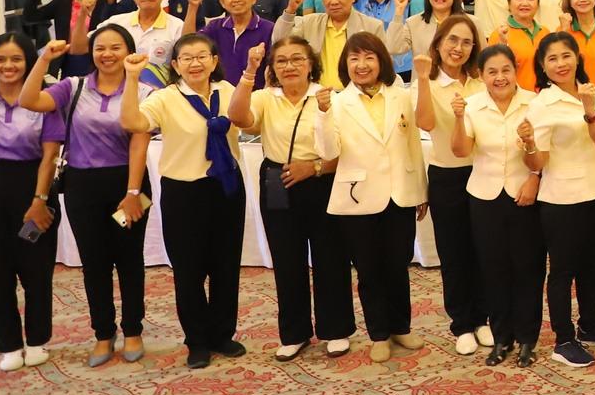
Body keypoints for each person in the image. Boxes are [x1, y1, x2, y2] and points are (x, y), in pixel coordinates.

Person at [18, 25, 145, 367]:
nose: (107, 54)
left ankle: (133, 330)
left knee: (129, 259)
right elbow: (28, 100)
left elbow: (139, 143)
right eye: (100, 48)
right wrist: (44, 59)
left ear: (128, 50)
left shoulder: (142, 90)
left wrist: (133, 192)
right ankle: (103, 334)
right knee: (94, 262)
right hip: (82, 186)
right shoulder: (73, 87)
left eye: (116, 47)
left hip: (129, 185)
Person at [120, 34, 245, 369]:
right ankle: (197, 341)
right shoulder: (165, 98)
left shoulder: (227, 91)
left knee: (226, 266)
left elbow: (247, 119)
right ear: (175, 65)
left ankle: (222, 334)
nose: (195, 63)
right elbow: (132, 123)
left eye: (202, 56)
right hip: (184, 193)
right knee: (189, 271)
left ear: (214, 61)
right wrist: (131, 78)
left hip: (227, 188)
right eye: (186, 57)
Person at [231, 35, 354, 361]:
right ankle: (294, 333)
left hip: (322, 178)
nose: (289, 66)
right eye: (281, 61)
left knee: (330, 256)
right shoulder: (264, 97)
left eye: (297, 59)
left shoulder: (329, 97)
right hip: (277, 180)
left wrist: (312, 167)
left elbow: (346, 150)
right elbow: (238, 118)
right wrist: (249, 72)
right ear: (273, 67)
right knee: (286, 259)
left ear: (311, 64)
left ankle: (336, 329)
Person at [314, 32, 426, 364]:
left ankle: (400, 327)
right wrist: (322, 114)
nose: (361, 65)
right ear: (345, 65)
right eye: (354, 59)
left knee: (398, 264)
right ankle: (378, 334)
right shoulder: (336, 102)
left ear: (382, 61)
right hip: (358, 198)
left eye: (369, 57)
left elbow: (413, 144)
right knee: (369, 269)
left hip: (399, 194)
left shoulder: (400, 95)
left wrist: (420, 190)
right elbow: (328, 152)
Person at [0, 33, 58, 371]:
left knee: (36, 269)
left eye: (16, 59)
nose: (8, 66)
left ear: (29, 62)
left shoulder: (44, 100)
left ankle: (37, 341)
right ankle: (8, 345)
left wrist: (39, 199)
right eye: (0, 59)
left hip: (33, 188)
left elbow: (50, 156)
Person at [524, 31, 595, 369]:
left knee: (592, 264)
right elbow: (538, 161)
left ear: (577, 58)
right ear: (542, 66)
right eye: (552, 59)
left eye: (566, 55)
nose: (561, 64)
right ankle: (563, 340)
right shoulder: (541, 105)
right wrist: (529, 145)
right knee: (563, 270)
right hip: (562, 198)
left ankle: (590, 325)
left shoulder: (590, 91)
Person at [452, 45, 544, 367]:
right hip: (484, 196)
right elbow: (461, 150)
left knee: (528, 268)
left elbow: (543, 155)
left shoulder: (534, 103)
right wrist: (458, 118)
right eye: (492, 72)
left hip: (524, 195)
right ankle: (502, 338)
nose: (500, 77)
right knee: (493, 269)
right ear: (481, 75)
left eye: (506, 70)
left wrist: (533, 174)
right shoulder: (473, 106)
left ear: (515, 70)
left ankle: (528, 339)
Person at [411, 16, 488, 357]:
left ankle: (483, 317)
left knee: (483, 250)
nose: (458, 48)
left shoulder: (481, 82)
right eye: (452, 40)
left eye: (466, 42)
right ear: (439, 43)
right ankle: (462, 324)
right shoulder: (425, 82)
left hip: (483, 174)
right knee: (454, 254)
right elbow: (425, 123)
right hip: (447, 177)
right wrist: (423, 79)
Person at [274, 0, 387, 89]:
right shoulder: (309, 23)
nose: (334, 1)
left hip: (358, 93)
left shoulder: (372, 26)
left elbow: (383, 65)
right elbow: (279, 42)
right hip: (318, 93)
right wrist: (290, 10)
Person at [24, 0, 114, 77]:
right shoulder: (62, 2)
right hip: (66, 61)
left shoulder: (103, 3)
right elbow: (30, 16)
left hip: (96, 61)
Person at [204, 0, 274, 90]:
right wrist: (193, 7)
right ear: (222, 2)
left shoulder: (269, 29)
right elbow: (190, 45)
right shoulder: (214, 27)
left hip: (256, 95)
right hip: (220, 95)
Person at [119, 0, 190, 77]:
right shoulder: (116, 23)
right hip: (122, 85)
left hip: (163, 86)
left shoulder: (177, 26)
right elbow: (89, 47)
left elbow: (187, 58)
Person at [487, 0, 550, 91]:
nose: (525, 3)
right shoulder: (499, 35)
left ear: (538, 3)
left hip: (544, 97)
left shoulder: (545, 32)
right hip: (515, 98)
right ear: (509, 3)